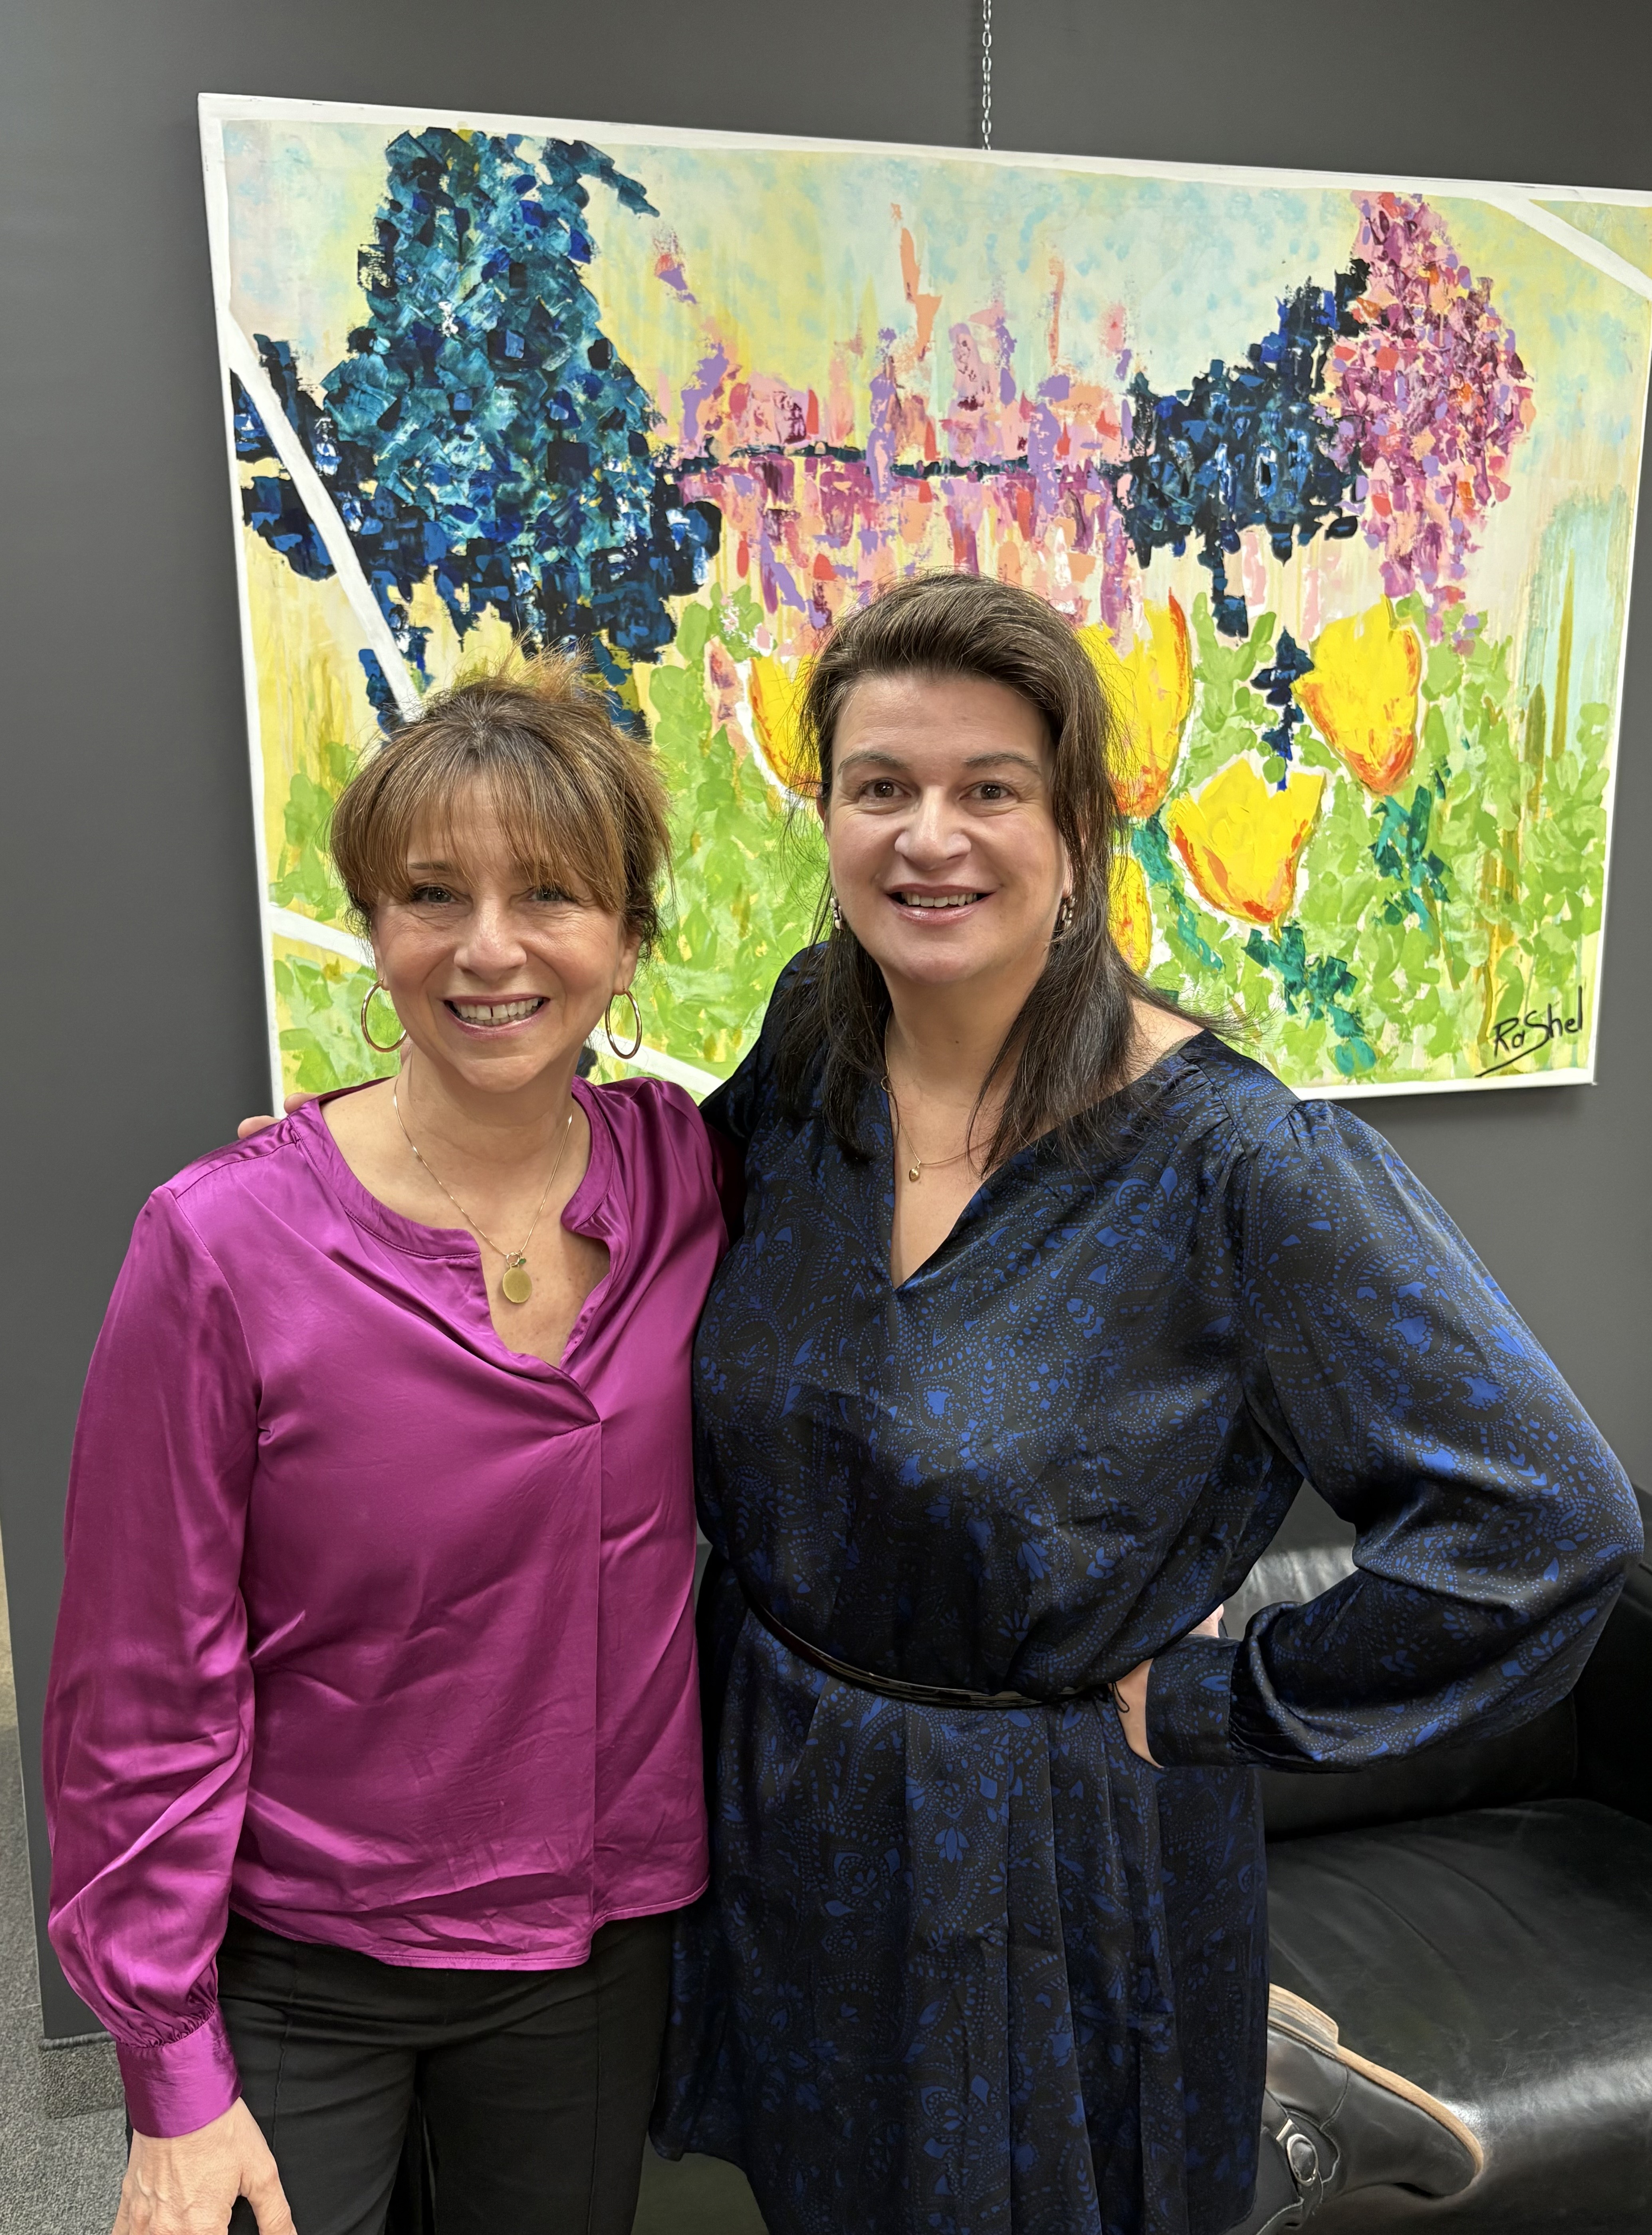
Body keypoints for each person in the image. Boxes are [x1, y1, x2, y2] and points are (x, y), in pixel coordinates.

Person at [649, 572, 1642, 2235]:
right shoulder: (816, 1039)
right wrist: (386, 1169)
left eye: (989, 788)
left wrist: (1229, 1693)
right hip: (790, 1781)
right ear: (826, 812)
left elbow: (1549, 1519)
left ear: (1078, 828)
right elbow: (659, 1220)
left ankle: (1265, 2093)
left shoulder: (1238, 1163)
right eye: (881, 785)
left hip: (1036, 1855)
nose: (928, 837)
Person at [43, 658, 730, 2235]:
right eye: (432, 893)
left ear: (629, 938)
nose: (488, 946)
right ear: (372, 925)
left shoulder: (688, 1176)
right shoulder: (221, 1244)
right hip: (304, 1962)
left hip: (592, 1952)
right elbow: (141, 1681)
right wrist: (167, 2061)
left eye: (549, 892)